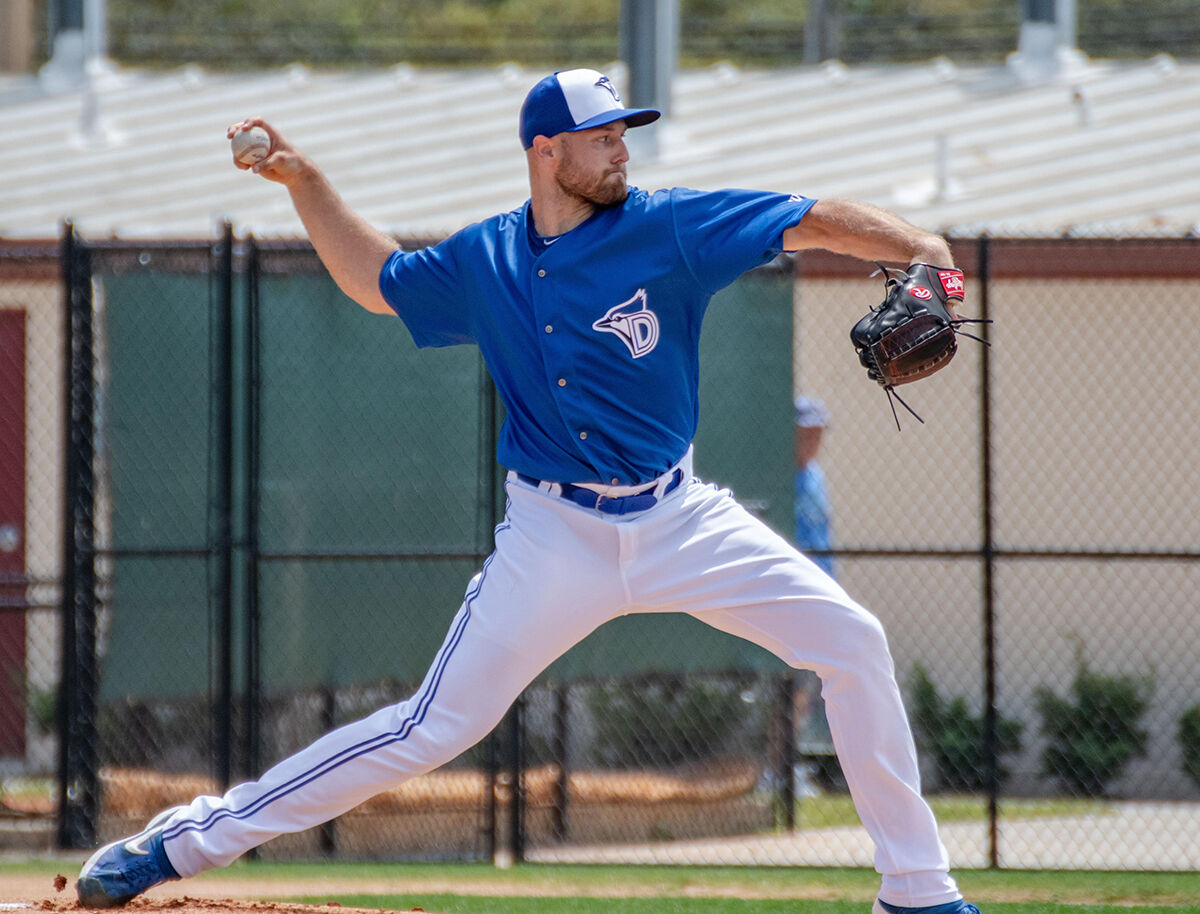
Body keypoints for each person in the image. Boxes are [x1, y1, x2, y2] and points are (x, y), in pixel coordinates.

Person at [77, 68, 979, 914]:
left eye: (626, 134)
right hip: (555, 534)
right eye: (604, 136)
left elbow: (815, 218)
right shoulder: (489, 260)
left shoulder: (670, 226)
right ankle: (183, 844)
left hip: (680, 516)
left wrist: (923, 248)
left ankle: (917, 888)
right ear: (547, 149)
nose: (623, 150)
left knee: (853, 643)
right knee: (428, 731)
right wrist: (302, 177)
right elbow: (377, 281)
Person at [792, 394, 835, 578]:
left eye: (817, 435)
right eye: (806, 435)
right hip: (791, 573)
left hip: (821, 572)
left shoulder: (816, 475)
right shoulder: (778, 478)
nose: (813, 442)